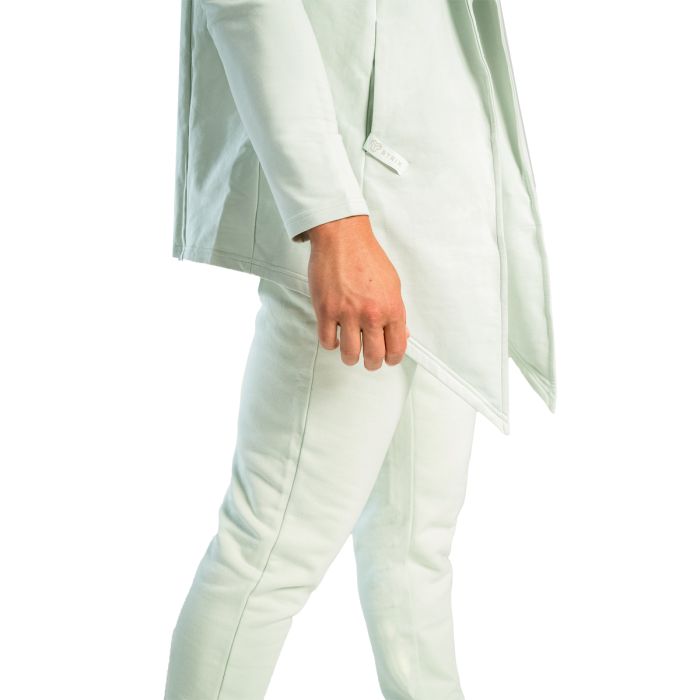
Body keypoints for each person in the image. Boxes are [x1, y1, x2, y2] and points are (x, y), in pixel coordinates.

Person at [164, 1, 557, 698]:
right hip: (361, 212)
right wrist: (333, 220)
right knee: (267, 554)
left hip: (443, 223)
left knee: (415, 555)